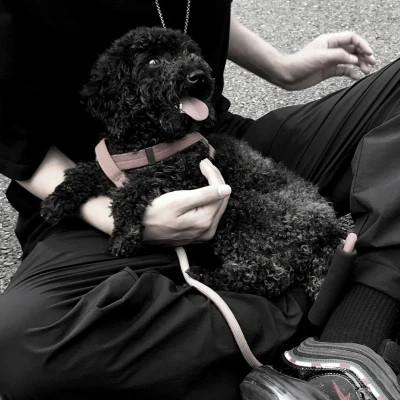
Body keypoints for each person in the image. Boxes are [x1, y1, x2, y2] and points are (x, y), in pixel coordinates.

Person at [0, 1, 399, 399]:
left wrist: (283, 67)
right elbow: (13, 135)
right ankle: (324, 302)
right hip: (91, 190)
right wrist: (120, 218)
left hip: (217, 144)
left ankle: (356, 329)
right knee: (23, 347)